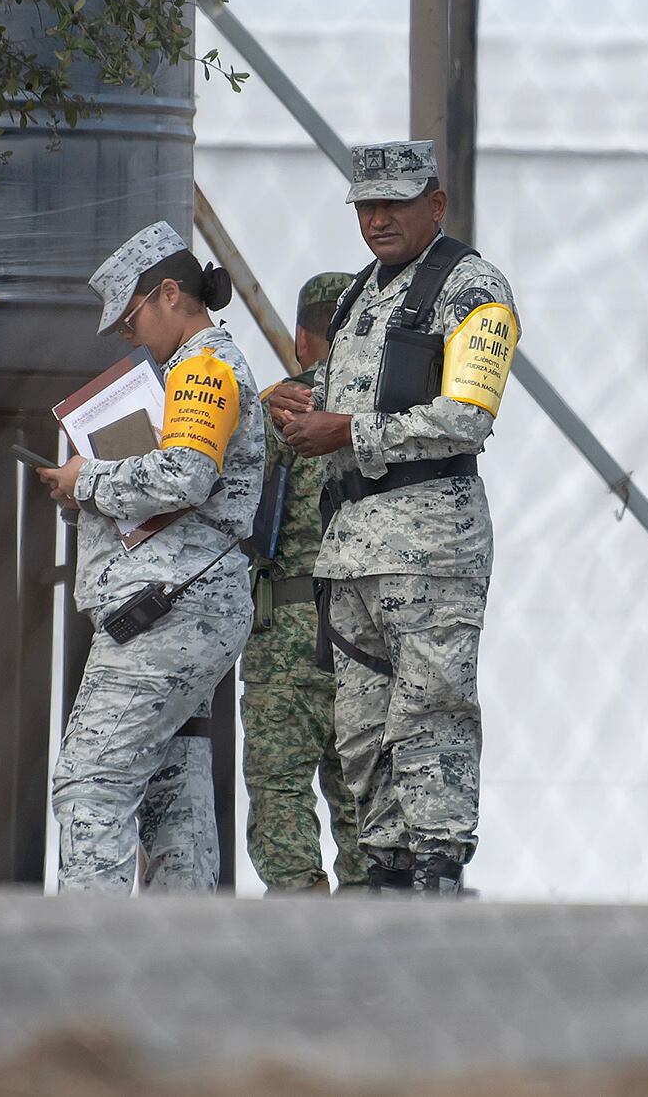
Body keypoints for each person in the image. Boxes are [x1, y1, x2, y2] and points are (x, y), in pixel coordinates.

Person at [269, 141, 519, 898]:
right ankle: (384, 876)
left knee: (430, 719)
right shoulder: (358, 295)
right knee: (365, 736)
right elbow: (346, 391)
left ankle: (438, 875)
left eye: (395, 203)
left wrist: (347, 431)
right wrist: (295, 403)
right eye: (365, 206)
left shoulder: (473, 288)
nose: (377, 219)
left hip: (429, 549)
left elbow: (466, 417)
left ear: (435, 205)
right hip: (352, 553)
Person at [37, 222, 262, 893]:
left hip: (168, 609)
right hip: (180, 604)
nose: (128, 335)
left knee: (91, 782)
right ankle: (179, 960)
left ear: (171, 294)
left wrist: (89, 480)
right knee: (174, 795)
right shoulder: (189, 370)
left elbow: (187, 473)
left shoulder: (203, 367)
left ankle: (89, 958)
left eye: (131, 318)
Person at [242, 270, 369, 894]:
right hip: (369, 630)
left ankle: (301, 910)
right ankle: (372, 915)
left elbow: (232, 509)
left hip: (288, 627)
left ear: (301, 336)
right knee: (363, 791)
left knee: (280, 788)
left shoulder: (278, 407)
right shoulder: (380, 413)